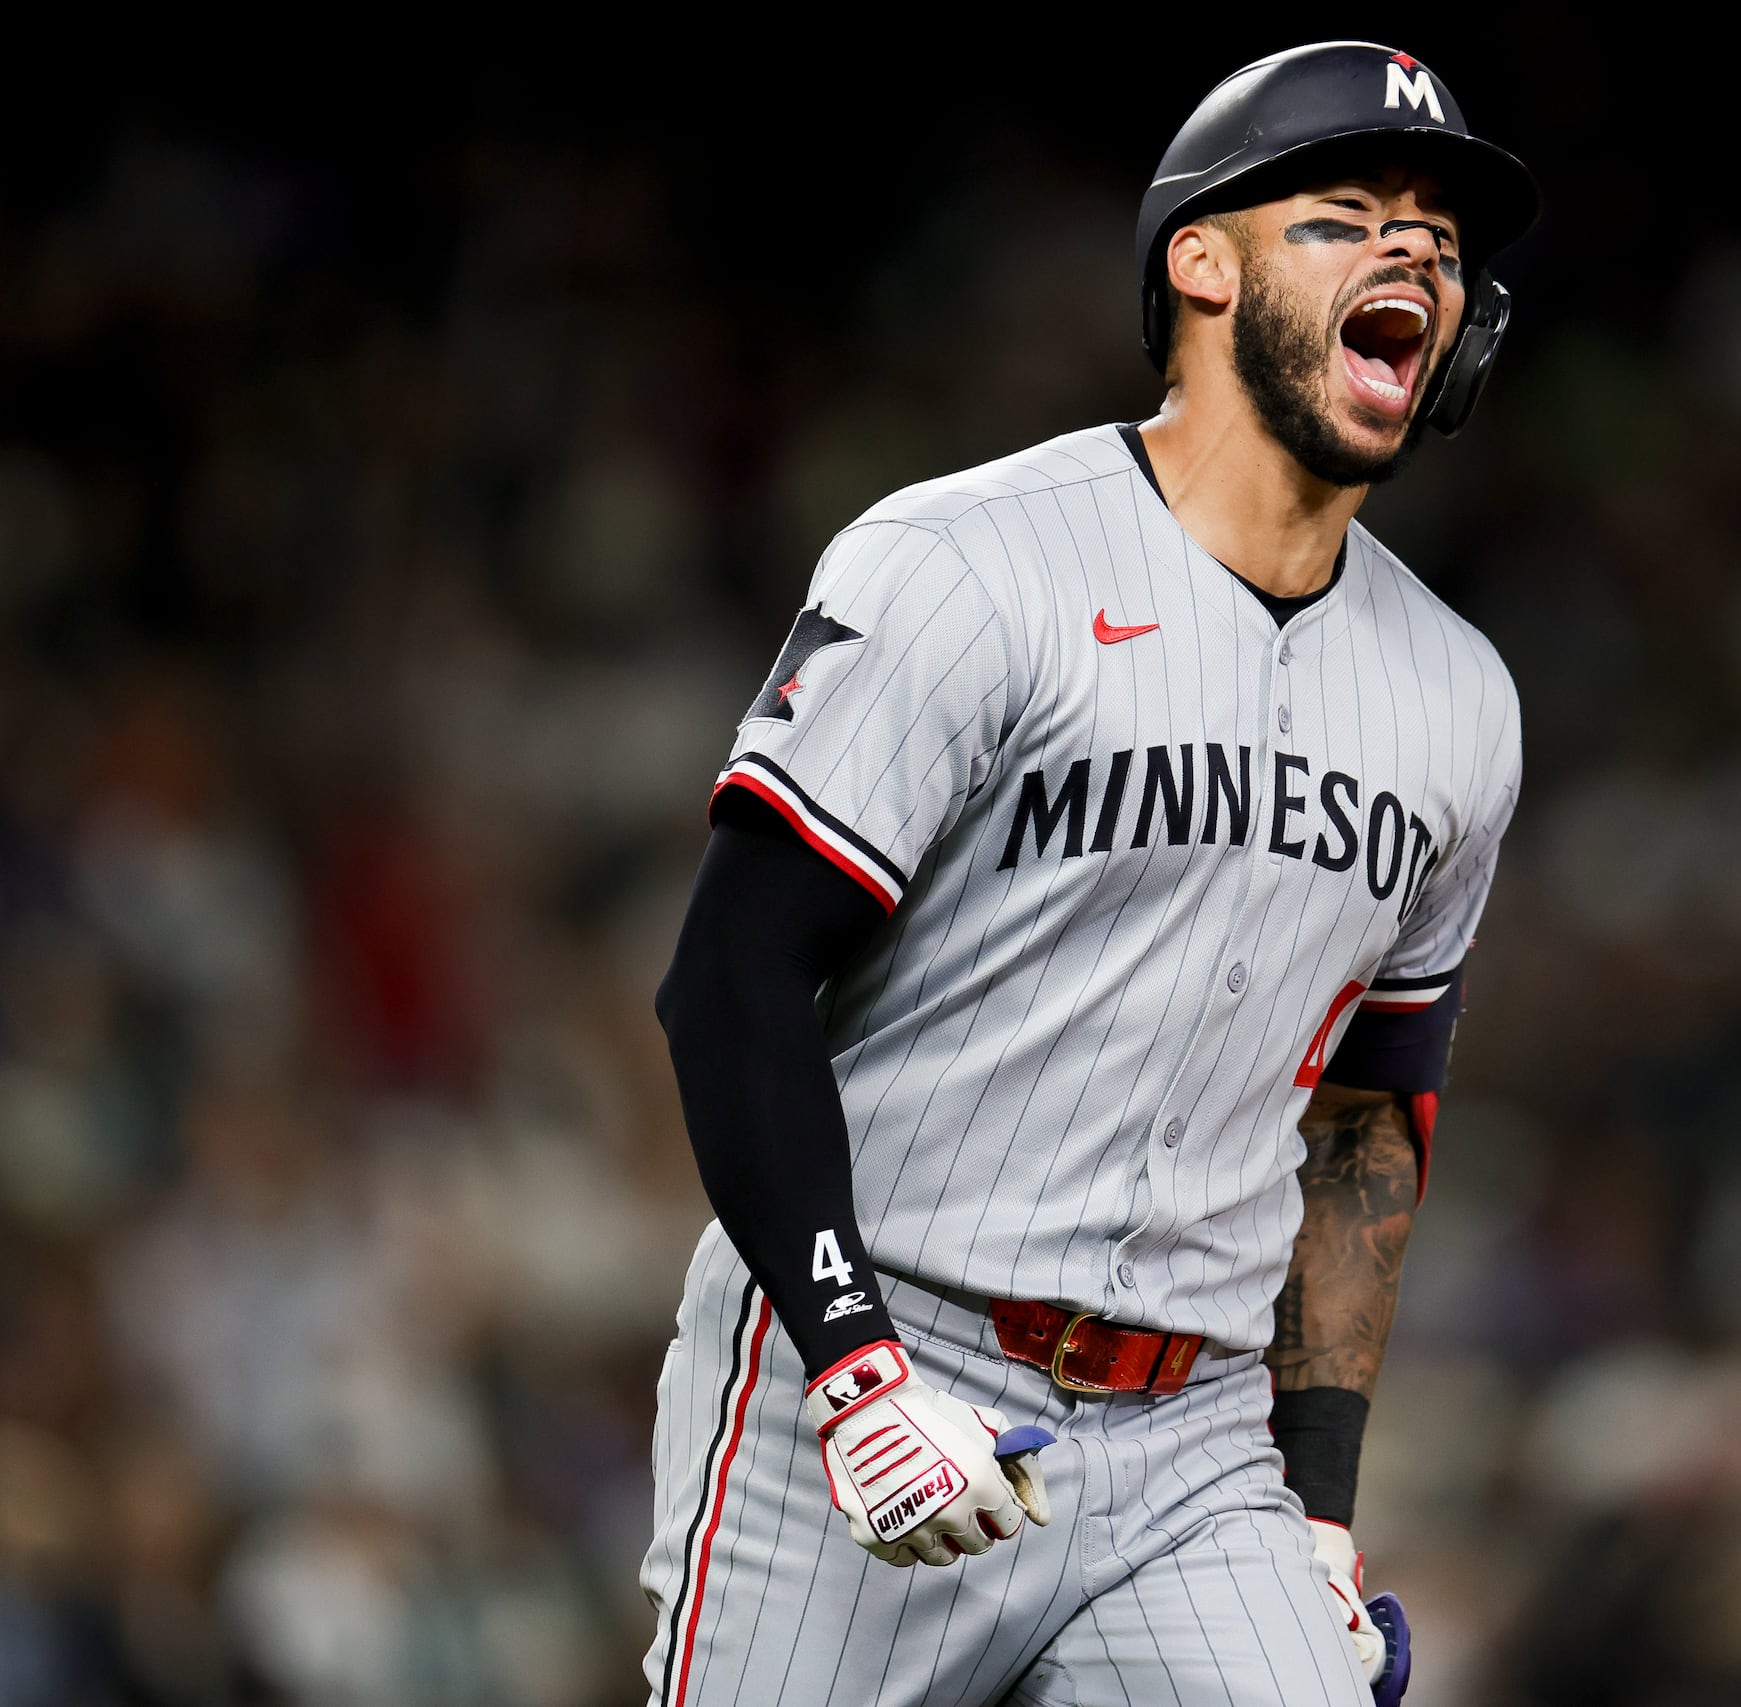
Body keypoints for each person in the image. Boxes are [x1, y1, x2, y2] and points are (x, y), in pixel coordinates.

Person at [643, 40, 1536, 1707]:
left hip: (1195, 1448)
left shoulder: (1458, 697)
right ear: (1203, 263)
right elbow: (730, 981)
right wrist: (854, 1366)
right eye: (1347, 216)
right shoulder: (968, 564)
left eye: (1442, 234)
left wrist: (1323, 1511)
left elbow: (1367, 1114)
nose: (1418, 250)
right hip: (889, 1348)